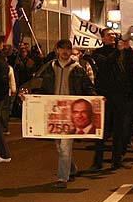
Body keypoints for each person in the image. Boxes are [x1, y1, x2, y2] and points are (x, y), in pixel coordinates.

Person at [22, 39, 96, 188]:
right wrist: (27, 94)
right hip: (54, 113)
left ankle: (62, 178)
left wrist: (96, 99)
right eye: (62, 49)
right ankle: (71, 168)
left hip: (70, 113)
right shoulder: (49, 67)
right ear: (57, 50)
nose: (65, 52)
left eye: (68, 49)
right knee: (59, 145)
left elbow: (88, 87)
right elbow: (37, 83)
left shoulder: (78, 69)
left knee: (65, 147)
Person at [90, 29, 133, 171]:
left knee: (121, 130)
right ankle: (97, 161)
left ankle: (117, 160)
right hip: (106, 97)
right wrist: (118, 51)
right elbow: (105, 65)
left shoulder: (124, 52)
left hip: (122, 97)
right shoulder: (98, 53)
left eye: (113, 35)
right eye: (109, 35)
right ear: (102, 38)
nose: (112, 37)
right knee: (103, 131)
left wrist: (128, 49)